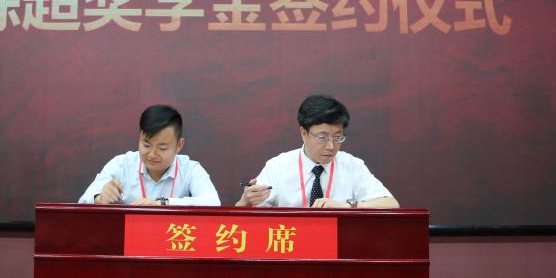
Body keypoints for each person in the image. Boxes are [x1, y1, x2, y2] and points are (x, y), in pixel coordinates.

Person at [236, 94, 398, 209]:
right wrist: (245, 202)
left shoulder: (352, 166)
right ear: (304, 133)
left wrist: (348, 206)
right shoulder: (278, 167)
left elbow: (391, 204)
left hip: (337, 243)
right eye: (322, 137)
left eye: (337, 137)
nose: (331, 146)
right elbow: (242, 217)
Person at [78, 105, 220, 206]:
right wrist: (99, 199)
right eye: (146, 145)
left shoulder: (190, 169)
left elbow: (212, 202)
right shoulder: (122, 164)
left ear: (179, 145)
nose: (152, 154)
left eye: (162, 148)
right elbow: (83, 202)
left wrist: (162, 203)